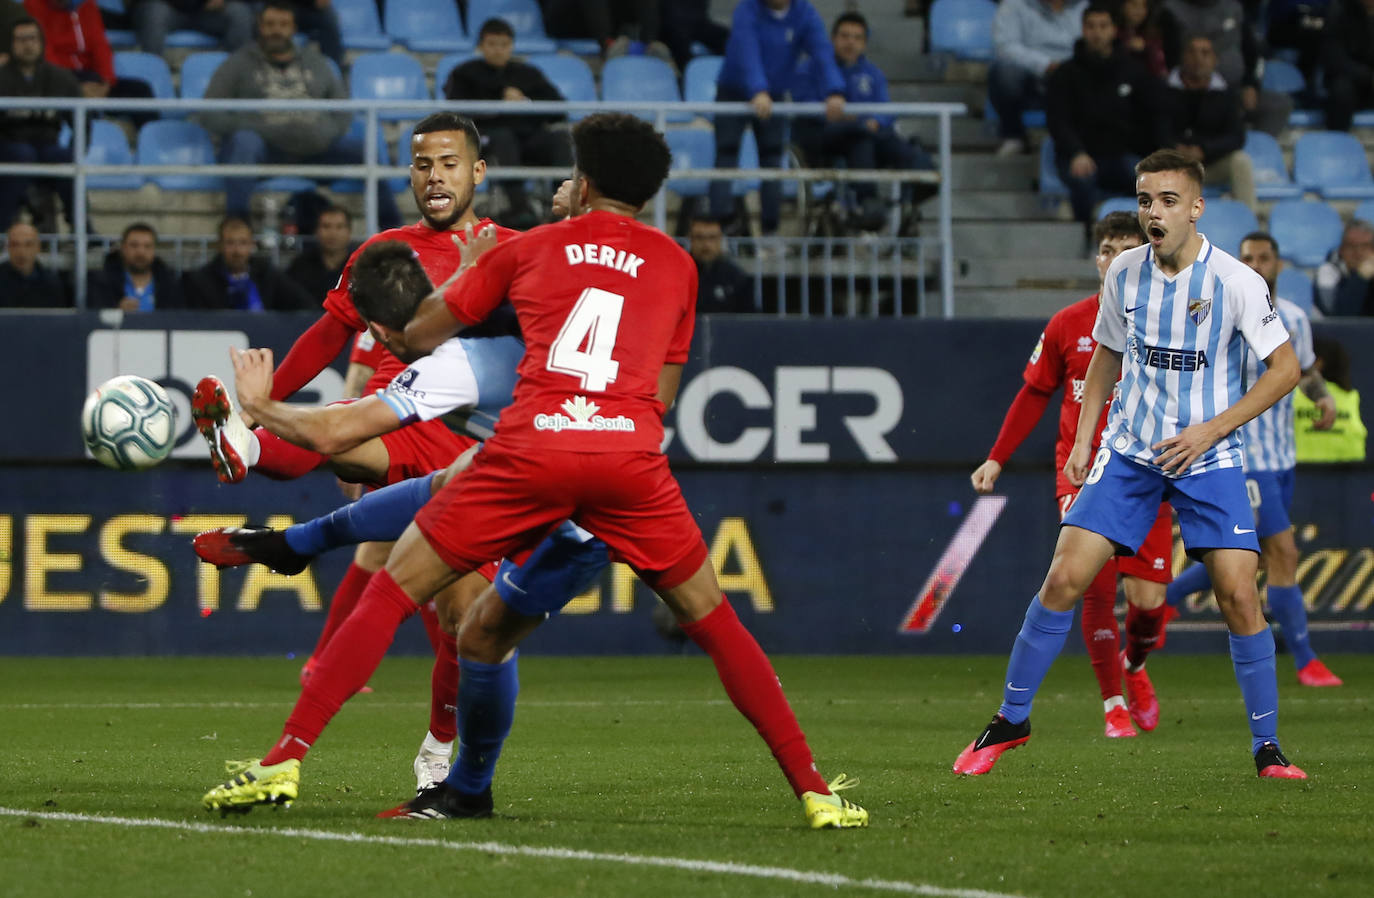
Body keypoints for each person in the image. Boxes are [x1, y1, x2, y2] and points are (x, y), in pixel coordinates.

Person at [203, 113, 870, 830]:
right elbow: (661, 397)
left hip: (533, 454)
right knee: (709, 624)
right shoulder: (679, 265)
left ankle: (285, 757)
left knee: (395, 583)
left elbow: (417, 336)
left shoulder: (523, 255)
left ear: (581, 182)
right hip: (627, 465)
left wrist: (261, 403)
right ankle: (813, 789)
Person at [953, 149, 1308, 781]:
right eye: (1146, 200)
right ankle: (1011, 719)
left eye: (1169, 201)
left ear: (1197, 208)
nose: (1154, 212)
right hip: (1131, 453)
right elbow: (1105, 358)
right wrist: (1088, 437)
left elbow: (1285, 369)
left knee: (1238, 596)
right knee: (1064, 578)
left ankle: (1268, 748)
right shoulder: (1124, 276)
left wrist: (1212, 429)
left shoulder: (1234, 282)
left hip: (1209, 456)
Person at [192, 112, 520, 792]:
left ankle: (438, 748)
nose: (436, 176)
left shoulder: (513, 251)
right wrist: (264, 396)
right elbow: (326, 334)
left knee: (464, 621)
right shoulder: (385, 251)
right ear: (409, 175)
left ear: (478, 172)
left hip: (479, 449)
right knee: (341, 438)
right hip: (401, 419)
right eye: (424, 165)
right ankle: (248, 439)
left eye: (450, 164)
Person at [972, 211, 1172, 740]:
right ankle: (1112, 704)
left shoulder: (1168, 321)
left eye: (1125, 249)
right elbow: (1035, 392)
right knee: (1091, 584)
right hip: (1082, 471)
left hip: (1149, 470)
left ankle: (1134, 665)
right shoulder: (1067, 323)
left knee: (1149, 605)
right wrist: (998, 456)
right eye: (1106, 249)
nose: (1113, 260)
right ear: (1097, 258)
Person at [1164, 230, 1343, 687]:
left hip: (1283, 455)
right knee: (1282, 551)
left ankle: (1160, 604)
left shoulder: (1296, 318)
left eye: (1264, 257)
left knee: (1247, 559)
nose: (1256, 264)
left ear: (1278, 264)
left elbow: (1300, 370)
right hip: (1246, 456)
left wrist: (1322, 397)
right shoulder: (1221, 311)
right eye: (1248, 258)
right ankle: (1305, 659)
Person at [198, 1, 401, 230]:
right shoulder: (238, 63)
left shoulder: (316, 62)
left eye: (283, 24)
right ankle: (238, 228)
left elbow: (342, 110)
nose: (277, 30)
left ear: (294, 28)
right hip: (264, 151)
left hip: (315, 149)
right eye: (270, 24)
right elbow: (208, 112)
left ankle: (392, 231)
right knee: (243, 143)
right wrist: (251, 125)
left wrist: (324, 133)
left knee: (366, 150)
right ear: (259, 27)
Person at [790, 11, 936, 234]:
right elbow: (804, 104)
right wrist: (840, 116)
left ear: (865, 43)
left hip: (866, 134)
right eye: (845, 36)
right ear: (833, 39)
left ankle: (924, 181)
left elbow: (886, 109)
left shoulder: (873, 74)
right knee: (860, 135)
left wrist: (876, 122)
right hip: (821, 137)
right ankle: (866, 202)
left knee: (889, 139)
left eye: (857, 38)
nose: (851, 42)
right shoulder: (810, 68)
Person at [709, 0, 845, 237]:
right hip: (733, 90)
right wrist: (758, 89)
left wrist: (835, 90)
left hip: (774, 94)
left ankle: (770, 230)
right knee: (726, 154)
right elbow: (746, 50)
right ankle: (719, 226)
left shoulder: (804, 12)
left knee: (772, 159)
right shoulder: (747, 9)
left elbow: (821, 51)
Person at [442, 17, 571, 229]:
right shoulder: (464, 73)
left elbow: (558, 109)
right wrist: (499, 105)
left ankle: (562, 208)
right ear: (481, 46)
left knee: (558, 139)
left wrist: (525, 102)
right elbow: (456, 111)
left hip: (528, 138)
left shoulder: (528, 73)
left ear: (511, 46)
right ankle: (519, 208)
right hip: (485, 139)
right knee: (503, 137)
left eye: (503, 45)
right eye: (492, 44)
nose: (498, 50)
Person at [1045, 3, 1159, 231]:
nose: (1097, 32)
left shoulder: (1134, 71)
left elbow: (1150, 118)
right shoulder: (1065, 74)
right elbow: (1058, 121)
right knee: (1083, 180)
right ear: (1083, 29)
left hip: (1122, 154)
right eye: (1091, 26)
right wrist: (1076, 151)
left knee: (1149, 184)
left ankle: (1145, 241)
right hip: (1079, 155)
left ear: (1114, 30)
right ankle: (1087, 235)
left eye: (1103, 26)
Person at [1158, 0, 1292, 136]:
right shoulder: (1171, 10)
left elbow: (1252, 54)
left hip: (1235, 91)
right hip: (1192, 94)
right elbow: (1168, 58)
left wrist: (1250, 84)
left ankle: (1255, 151)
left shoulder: (1234, 7)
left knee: (1278, 105)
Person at [1158, 34, 1257, 211]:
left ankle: (1250, 224)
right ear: (1182, 58)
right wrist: (1175, 149)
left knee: (1240, 161)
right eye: (1192, 52)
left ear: (1215, 60)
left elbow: (1236, 137)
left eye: (1205, 53)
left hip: (1208, 165)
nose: (1198, 59)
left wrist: (1204, 150)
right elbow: (1154, 128)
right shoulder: (1163, 90)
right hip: (1170, 166)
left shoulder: (1226, 95)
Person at [0, 17, 81, 232]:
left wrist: (77, 149)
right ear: (11, 44)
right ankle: (2, 227)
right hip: (8, 146)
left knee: (66, 158)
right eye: (21, 39)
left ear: (41, 41)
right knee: (22, 155)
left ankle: (82, 227)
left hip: (47, 146)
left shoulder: (62, 78)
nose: (28, 45)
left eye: (32, 38)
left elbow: (83, 122)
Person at [25, 0, 155, 120]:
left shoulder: (87, 5)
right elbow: (44, 52)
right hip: (58, 80)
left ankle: (149, 141)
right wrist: (73, 87)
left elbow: (100, 45)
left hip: (92, 79)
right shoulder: (32, 6)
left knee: (141, 90)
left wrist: (106, 82)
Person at [989, 0, 1088, 157]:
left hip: (1075, 73)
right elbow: (1006, 47)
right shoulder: (1014, 5)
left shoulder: (1084, 6)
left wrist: (1070, 67)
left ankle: (1090, 140)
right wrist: (1046, 64)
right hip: (1034, 78)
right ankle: (1013, 135)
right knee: (1005, 71)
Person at [182, 216, 314, 311]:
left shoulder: (267, 275)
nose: (237, 250)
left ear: (252, 245)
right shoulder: (202, 281)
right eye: (230, 243)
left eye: (243, 243)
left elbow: (304, 304)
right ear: (220, 246)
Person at [1294, 336, 1367, 461]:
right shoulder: (1351, 396)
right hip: (1349, 472)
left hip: (1303, 470)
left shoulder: (1294, 393)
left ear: (1318, 363)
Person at [87, 222, 184, 310]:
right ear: (123, 248)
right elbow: (94, 317)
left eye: (147, 246)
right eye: (134, 245)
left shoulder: (169, 283)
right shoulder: (102, 282)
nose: (140, 252)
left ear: (154, 250)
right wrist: (116, 311)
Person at [1322, 0, 1374, 132]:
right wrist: (1369, 76)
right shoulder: (1339, 11)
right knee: (1342, 90)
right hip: (1352, 81)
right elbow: (1335, 59)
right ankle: (1337, 141)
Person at [285, 204, 353, 305]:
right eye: (326, 226)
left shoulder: (359, 267)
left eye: (339, 227)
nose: (332, 233)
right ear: (316, 231)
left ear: (349, 232)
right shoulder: (299, 266)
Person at [130, 0, 252, 56]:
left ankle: (232, 74)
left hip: (207, 12)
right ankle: (154, 74)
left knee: (240, 14)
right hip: (167, 8)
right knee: (153, 13)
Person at [688, 215, 752, 314]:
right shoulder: (680, 276)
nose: (706, 244)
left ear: (720, 240)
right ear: (691, 240)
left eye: (712, 238)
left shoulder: (736, 277)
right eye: (699, 237)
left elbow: (749, 320)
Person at [1314, 219, 1374, 317]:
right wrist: (1360, 277)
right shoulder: (1327, 271)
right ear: (1341, 249)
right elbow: (1337, 316)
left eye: (1365, 246)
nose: (1358, 253)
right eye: (1351, 246)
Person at [0, 220, 67, 306]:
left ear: (38, 247)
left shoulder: (51, 284)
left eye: (28, 244)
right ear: (8, 248)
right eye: (15, 244)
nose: (21, 252)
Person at [280, 0, 344, 66]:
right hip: (278, 6)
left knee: (329, 23)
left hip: (309, 9)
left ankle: (334, 67)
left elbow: (322, 3)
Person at [1116, 0, 1167, 78]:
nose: (1139, 10)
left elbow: (1161, 71)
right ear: (1123, 6)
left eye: (1144, 6)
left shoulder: (1153, 36)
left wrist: (1146, 49)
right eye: (1134, 4)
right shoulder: (1113, 31)